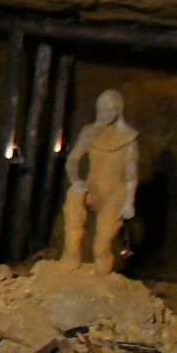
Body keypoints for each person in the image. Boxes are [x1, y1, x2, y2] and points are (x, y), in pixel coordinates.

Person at [60, 89, 139, 274]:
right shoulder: (89, 132)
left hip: (114, 194)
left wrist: (129, 202)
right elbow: (72, 159)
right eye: (103, 110)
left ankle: (102, 270)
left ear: (118, 110)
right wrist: (76, 180)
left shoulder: (128, 138)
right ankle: (71, 256)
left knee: (102, 243)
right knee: (74, 196)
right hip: (93, 188)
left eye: (111, 110)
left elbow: (131, 174)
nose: (106, 114)